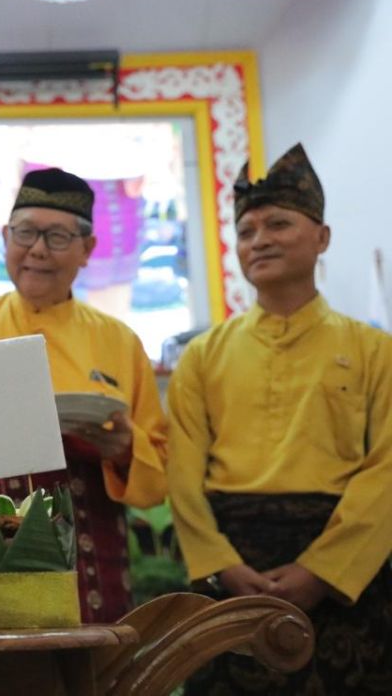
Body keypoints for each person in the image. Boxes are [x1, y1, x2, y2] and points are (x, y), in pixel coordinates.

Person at [167, 143, 392, 693]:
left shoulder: (373, 350)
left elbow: (387, 468)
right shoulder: (202, 355)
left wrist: (324, 571)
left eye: (279, 224)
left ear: (322, 238)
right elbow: (182, 473)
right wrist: (221, 565)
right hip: (233, 563)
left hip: (342, 568)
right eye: (246, 231)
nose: (260, 239)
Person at [0, 168, 168, 623]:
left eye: (56, 237)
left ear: (88, 249)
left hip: (91, 545)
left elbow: (157, 462)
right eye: (26, 233)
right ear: (4, 237)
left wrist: (125, 451)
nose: (37, 249)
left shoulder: (120, 342)